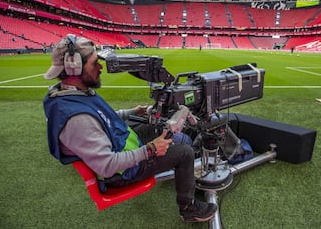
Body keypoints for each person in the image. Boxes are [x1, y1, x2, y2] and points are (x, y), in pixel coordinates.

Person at [43, 34, 217, 222]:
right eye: (95, 63)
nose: (101, 67)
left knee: (155, 126)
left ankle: (180, 170)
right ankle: (188, 208)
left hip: (122, 141)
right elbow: (108, 166)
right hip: (121, 172)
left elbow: (102, 119)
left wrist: (131, 112)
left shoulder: (73, 94)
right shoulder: (77, 119)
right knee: (185, 152)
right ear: (74, 68)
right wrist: (150, 149)